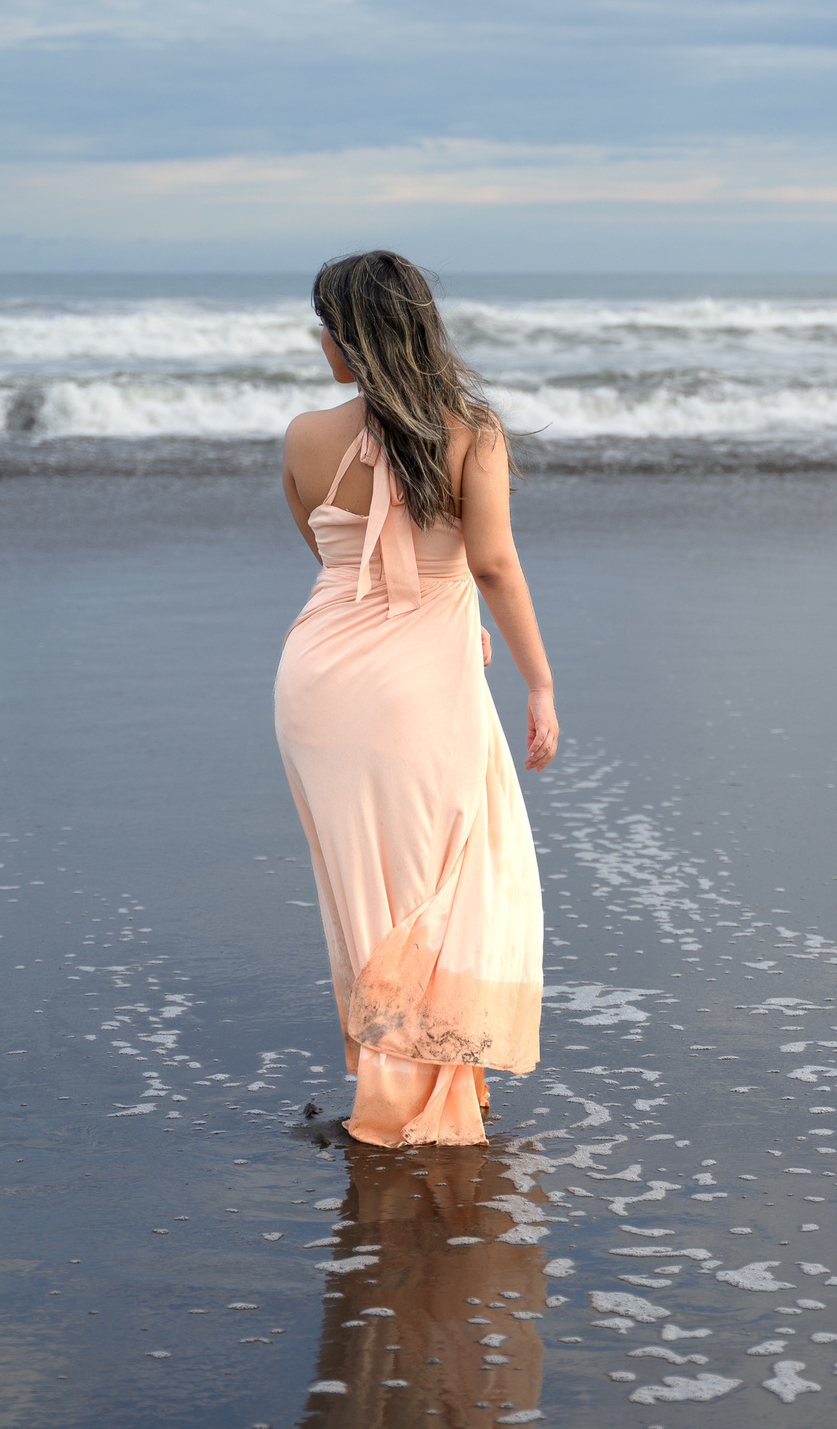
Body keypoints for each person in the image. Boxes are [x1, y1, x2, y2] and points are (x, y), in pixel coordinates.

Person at [274, 250, 556, 1148]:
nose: (321, 345)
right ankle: (431, 1090)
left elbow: (335, 563)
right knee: (447, 877)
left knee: (364, 888)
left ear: (353, 339)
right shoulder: (473, 431)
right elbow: (492, 563)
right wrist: (539, 682)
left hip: (320, 680)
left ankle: (406, 1082)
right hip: (421, 686)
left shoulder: (303, 437)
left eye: (327, 329)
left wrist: (436, 608)